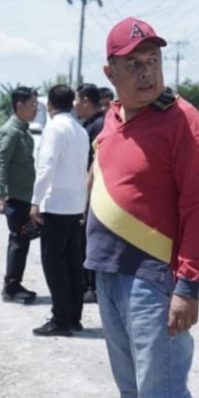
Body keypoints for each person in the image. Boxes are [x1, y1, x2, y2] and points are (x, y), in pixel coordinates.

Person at [87, 17, 199, 398]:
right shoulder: (112, 120)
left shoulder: (182, 121)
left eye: (153, 61)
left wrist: (188, 284)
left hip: (156, 283)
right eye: (134, 64)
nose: (147, 72)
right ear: (109, 71)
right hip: (111, 276)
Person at [29, 85, 90, 337]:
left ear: (49, 105)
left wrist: (35, 201)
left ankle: (60, 319)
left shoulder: (54, 128)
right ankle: (74, 317)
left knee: (55, 266)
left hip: (55, 206)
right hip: (75, 206)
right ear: (73, 104)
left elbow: (47, 167)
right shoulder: (80, 130)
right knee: (74, 265)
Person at [0, 86, 39, 304]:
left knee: (24, 239)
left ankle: (14, 283)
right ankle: (11, 287)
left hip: (25, 197)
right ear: (19, 106)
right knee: (19, 240)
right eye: (32, 105)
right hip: (15, 198)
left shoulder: (23, 131)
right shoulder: (10, 132)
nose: (36, 108)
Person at [74, 83, 107, 304]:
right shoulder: (91, 124)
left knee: (89, 240)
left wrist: (85, 197)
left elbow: (94, 166)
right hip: (89, 192)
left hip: (94, 193)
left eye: (77, 100)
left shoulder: (98, 126)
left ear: (86, 101)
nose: (74, 105)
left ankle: (92, 286)